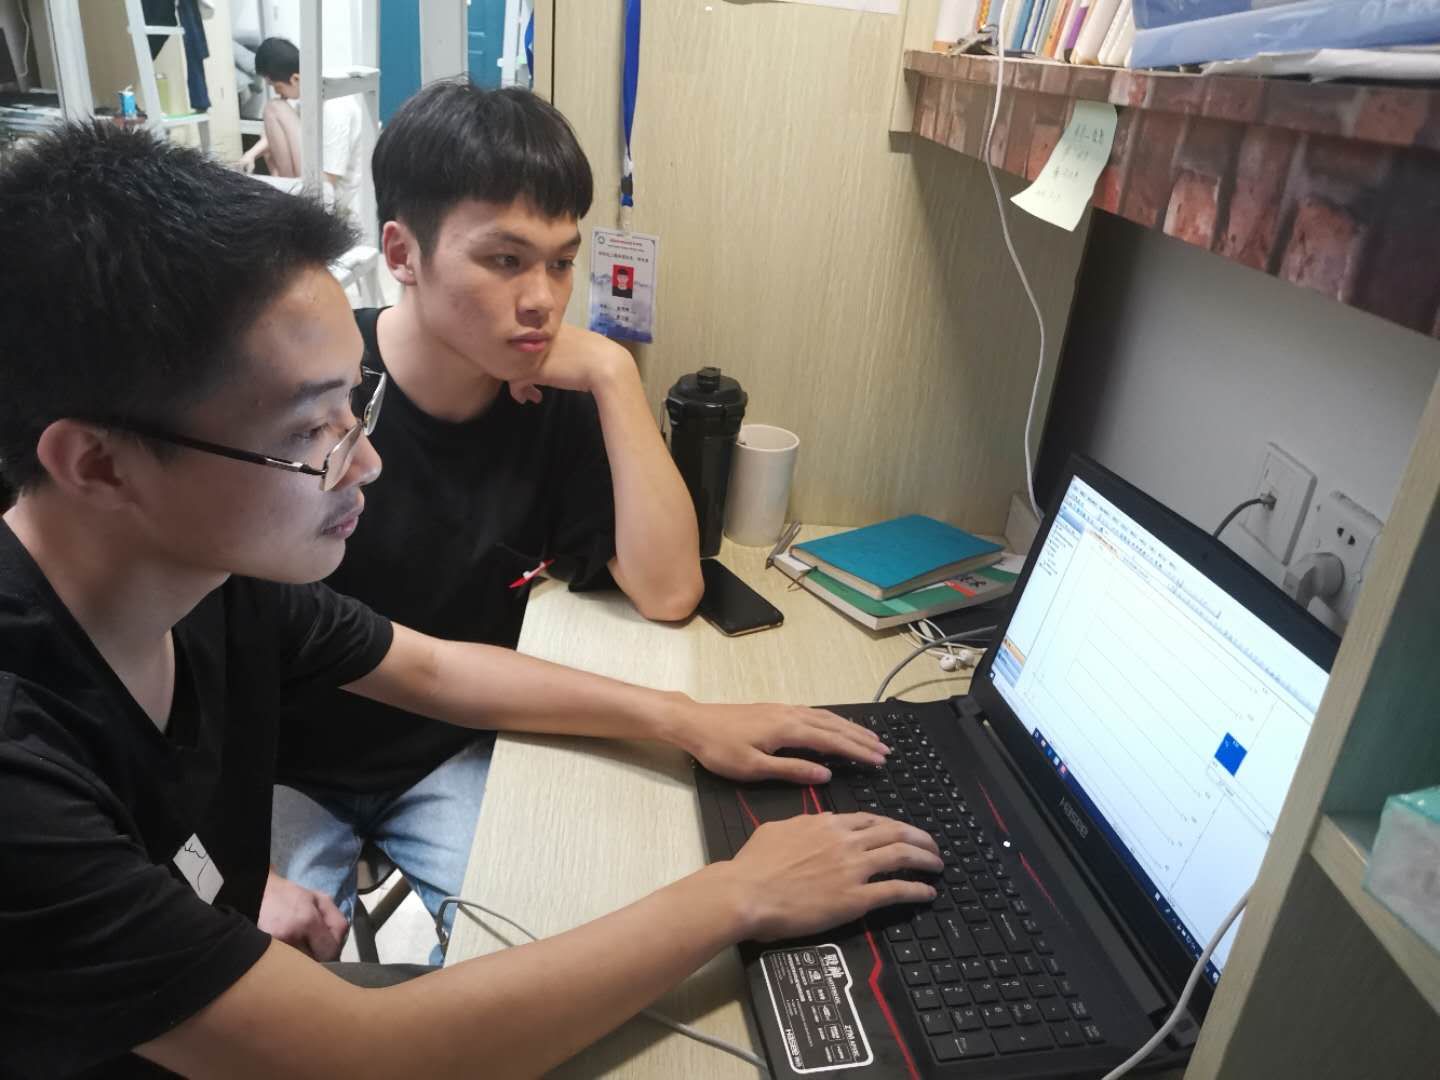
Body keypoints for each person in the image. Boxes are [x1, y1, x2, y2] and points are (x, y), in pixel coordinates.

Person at [0, 122, 941, 1079]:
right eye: (312, 430)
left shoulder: (204, 579)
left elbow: (432, 668)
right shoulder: (23, 777)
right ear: (99, 465)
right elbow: (365, 1056)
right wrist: (735, 896)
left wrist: (686, 718)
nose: (366, 461)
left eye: (355, 407)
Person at [266, 81, 704, 961]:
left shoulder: (557, 398)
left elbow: (668, 591)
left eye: (561, 263)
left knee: (535, 956)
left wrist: (614, 375)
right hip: (280, 762)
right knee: (258, 987)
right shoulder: (313, 392)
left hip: (455, 748)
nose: (542, 299)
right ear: (403, 253)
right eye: (505, 260)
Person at [239, 36, 364, 221]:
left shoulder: (335, 107)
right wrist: (250, 155)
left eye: (277, 86)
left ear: (295, 78)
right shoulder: (309, 92)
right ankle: (288, 191)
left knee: (274, 109)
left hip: (337, 204)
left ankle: (289, 195)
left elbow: (328, 183)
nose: (277, 92)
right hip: (317, 184)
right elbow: (276, 136)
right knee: (271, 123)